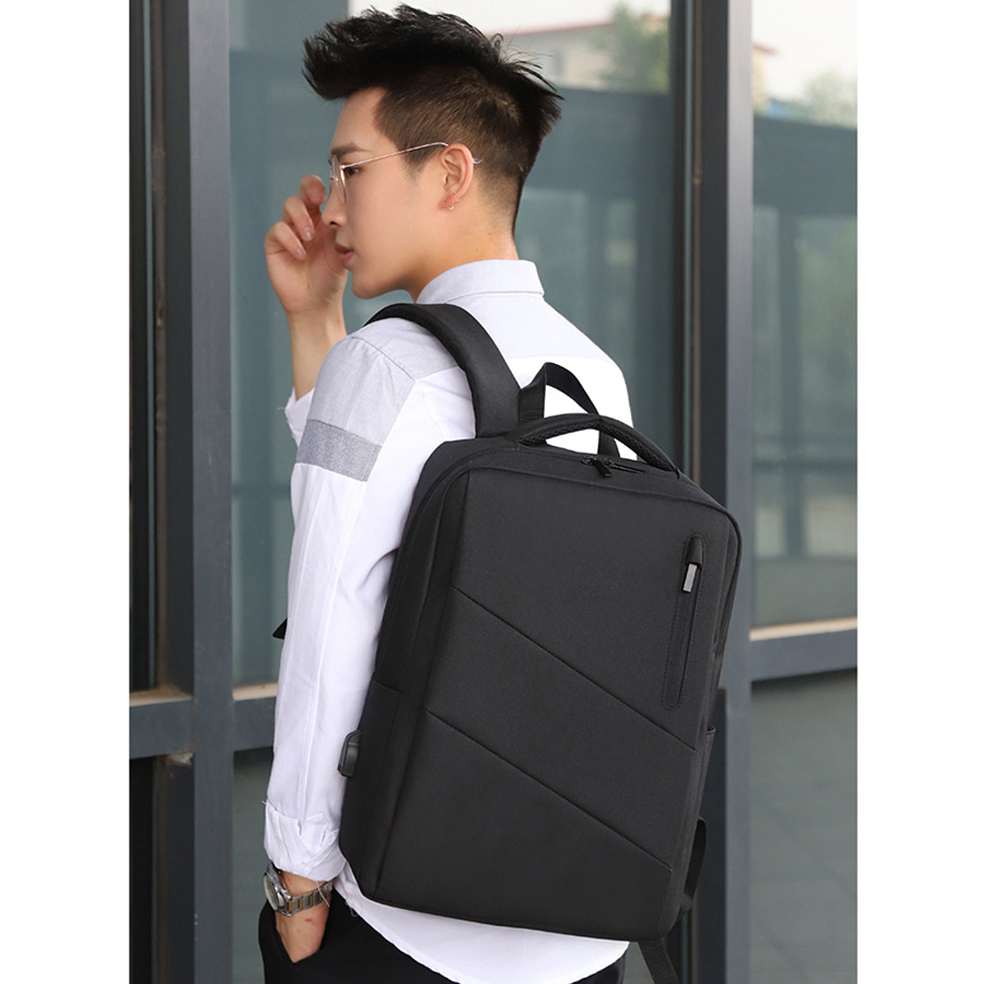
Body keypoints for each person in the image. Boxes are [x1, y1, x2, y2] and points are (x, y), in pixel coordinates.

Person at [259, 7, 634, 982]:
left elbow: (333, 623)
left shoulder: (387, 365)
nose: (332, 208)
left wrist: (297, 881)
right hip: (578, 916)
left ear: (451, 173)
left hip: (410, 921)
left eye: (351, 168)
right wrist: (316, 317)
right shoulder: (594, 374)